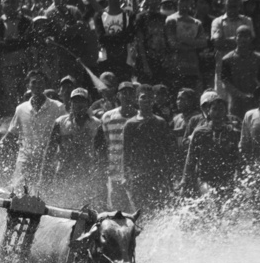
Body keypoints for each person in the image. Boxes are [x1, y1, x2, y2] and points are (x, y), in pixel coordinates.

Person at [0, 70, 66, 192]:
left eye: (41, 82)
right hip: (25, 161)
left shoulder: (58, 107)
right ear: (28, 85)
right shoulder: (21, 109)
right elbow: (12, 133)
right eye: (34, 82)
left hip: (48, 161)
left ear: (45, 85)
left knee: (44, 195)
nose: (37, 85)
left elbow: (64, 133)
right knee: (20, 195)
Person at [43, 88, 104, 206]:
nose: (79, 104)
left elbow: (102, 153)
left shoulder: (96, 124)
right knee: (61, 205)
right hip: (63, 171)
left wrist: (101, 177)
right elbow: (49, 151)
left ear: (88, 103)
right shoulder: (60, 123)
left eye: (82, 101)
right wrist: (45, 175)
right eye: (75, 101)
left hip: (86, 172)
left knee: (85, 207)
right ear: (70, 103)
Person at [122, 85, 176, 211]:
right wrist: (125, 176)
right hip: (138, 175)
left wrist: (171, 175)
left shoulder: (161, 122)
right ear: (137, 100)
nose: (147, 100)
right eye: (143, 97)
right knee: (140, 211)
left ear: (154, 100)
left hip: (158, 175)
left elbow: (168, 151)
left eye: (150, 97)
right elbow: (126, 152)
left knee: (160, 209)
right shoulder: (130, 124)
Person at [181, 91, 242, 197]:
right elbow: (191, 159)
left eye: (221, 109)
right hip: (205, 179)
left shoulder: (232, 133)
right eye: (214, 109)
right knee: (210, 200)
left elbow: (237, 157)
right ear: (208, 111)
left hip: (226, 178)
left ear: (225, 112)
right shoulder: (200, 132)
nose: (218, 113)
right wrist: (185, 181)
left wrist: (240, 176)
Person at [99, 81, 139, 211]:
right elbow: (105, 143)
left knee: (136, 209)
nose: (127, 96)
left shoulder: (140, 117)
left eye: (130, 93)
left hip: (134, 171)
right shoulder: (108, 117)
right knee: (117, 210)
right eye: (124, 93)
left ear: (135, 96)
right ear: (118, 96)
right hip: (114, 171)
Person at [219, 25, 260, 119]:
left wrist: (257, 94)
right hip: (236, 102)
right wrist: (241, 95)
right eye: (240, 36)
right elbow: (225, 83)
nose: (243, 39)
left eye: (246, 36)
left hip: (254, 101)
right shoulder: (227, 59)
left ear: (251, 39)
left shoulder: (259, 58)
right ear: (235, 38)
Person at [164, 0, 207, 92]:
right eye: (183, 0)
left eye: (188, 0)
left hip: (192, 67)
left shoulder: (197, 23)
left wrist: (183, 39)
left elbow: (203, 42)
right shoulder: (172, 20)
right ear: (177, 1)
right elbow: (173, 44)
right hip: (175, 67)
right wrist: (193, 44)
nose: (185, 3)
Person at [95, 0, 136, 81]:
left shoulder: (128, 15)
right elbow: (101, 39)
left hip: (124, 62)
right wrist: (122, 36)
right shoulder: (99, 16)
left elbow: (129, 37)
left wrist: (109, 38)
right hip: (105, 61)